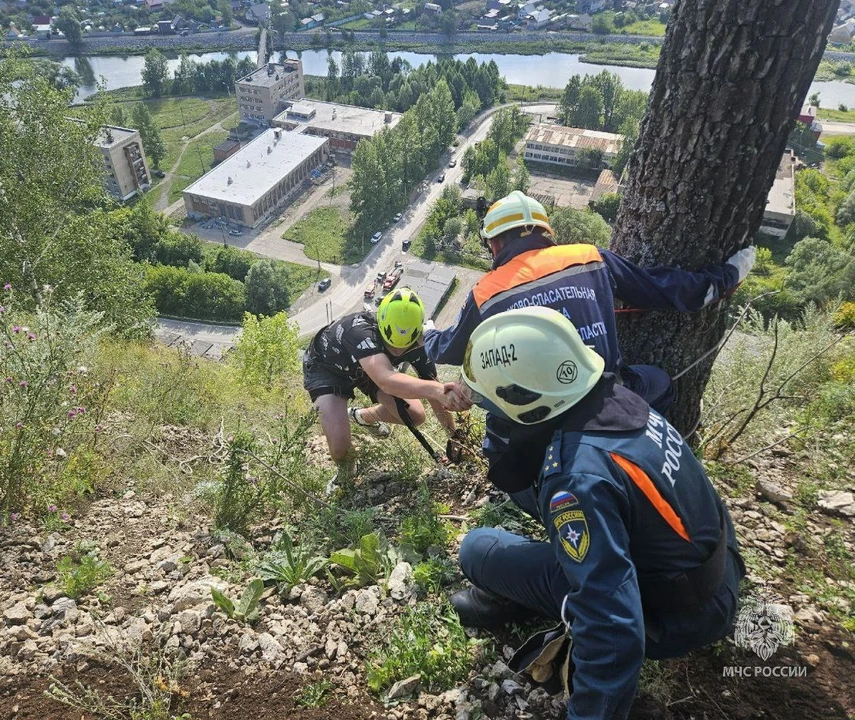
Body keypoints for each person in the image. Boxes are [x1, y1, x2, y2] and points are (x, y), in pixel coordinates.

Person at [450, 307, 745, 720]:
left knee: (478, 548)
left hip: (677, 616)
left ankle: (529, 600)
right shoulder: (617, 399)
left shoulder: (574, 478)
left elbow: (613, 627)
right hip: (718, 570)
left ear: (524, 397)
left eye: (490, 400)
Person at [423, 191, 755, 503]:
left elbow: (448, 349)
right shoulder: (590, 258)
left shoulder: (486, 292)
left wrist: (428, 333)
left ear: (494, 243)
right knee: (660, 382)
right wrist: (728, 275)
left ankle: (539, 500)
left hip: (538, 426)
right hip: (608, 403)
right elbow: (666, 289)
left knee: (499, 440)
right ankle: (648, 451)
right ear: (545, 232)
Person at [302, 287, 468, 491]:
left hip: (372, 368)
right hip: (329, 368)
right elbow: (386, 381)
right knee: (340, 448)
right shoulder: (359, 330)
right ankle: (345, 474)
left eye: (404, 346)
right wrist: (437, 390)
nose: (398, 350)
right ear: (381, 325)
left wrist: (453, 436)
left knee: (415, 416)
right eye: (391, 344)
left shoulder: (419, 342)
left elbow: (434, 392)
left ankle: (361, 416)